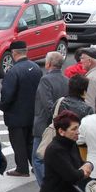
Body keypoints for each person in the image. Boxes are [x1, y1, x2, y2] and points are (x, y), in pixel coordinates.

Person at [0, 40, 41, 176]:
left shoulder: (13, 72)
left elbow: (7, 95)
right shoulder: (36, 68)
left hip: (16, 115)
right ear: (26, 51)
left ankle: (22, 168)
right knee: (30, 142)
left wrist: (2, 106)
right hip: (33, 113)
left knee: (18, 143)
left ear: (13, 53)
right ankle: (35, 166)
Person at [31, 50, 69, 184]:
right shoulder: (66, 80)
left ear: (49, 64)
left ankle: (46, 186)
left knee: (38, 157)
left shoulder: (45, 80)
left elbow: (47, 105)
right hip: (62, 125)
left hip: (45, 126)